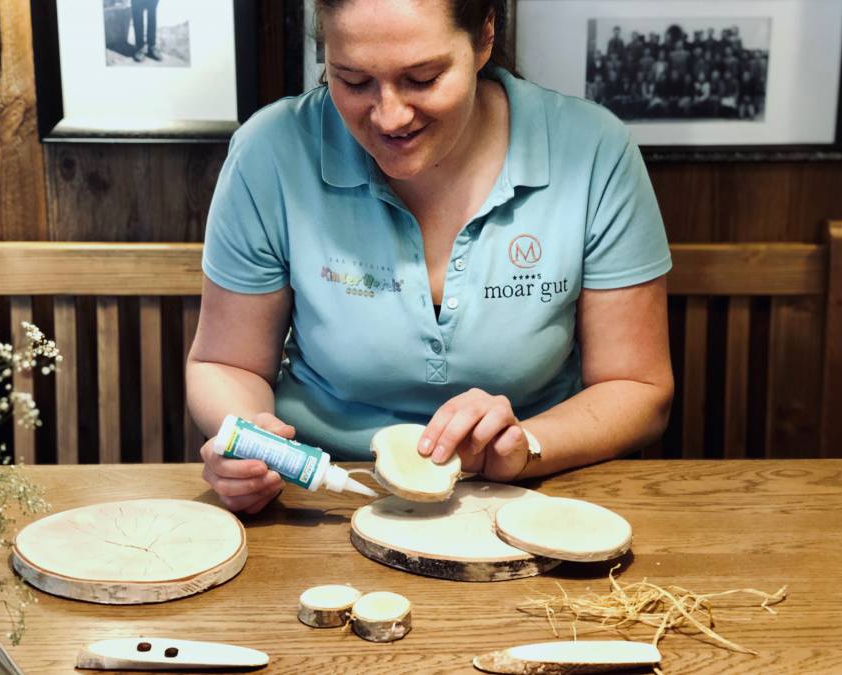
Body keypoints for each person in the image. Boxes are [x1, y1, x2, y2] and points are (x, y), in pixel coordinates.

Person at [187, 0, 674, 514]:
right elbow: (224, 362)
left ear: (485, 35)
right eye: (352, 82)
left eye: (422, 79)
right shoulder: (272, 151)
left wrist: (526, 446)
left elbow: (638, 387)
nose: (389, 116)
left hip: (537, 493)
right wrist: (252, 440)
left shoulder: (593, 149)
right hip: (324, 492)